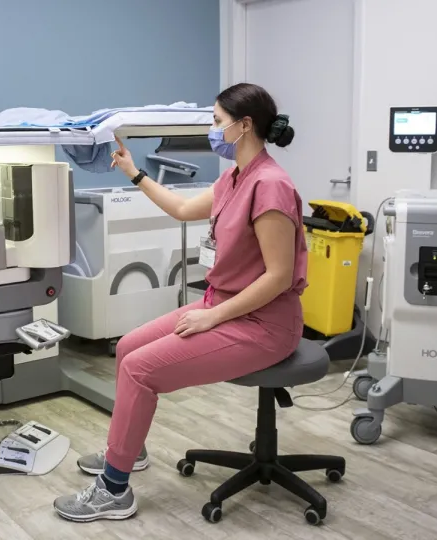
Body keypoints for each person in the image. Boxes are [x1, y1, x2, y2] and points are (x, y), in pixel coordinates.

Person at [52, 83, 309, 522]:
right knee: (129, 347)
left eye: (215, 121)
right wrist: (133, 172)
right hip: (223, 304)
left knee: (139, 369)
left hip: (264, 324)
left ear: (243, 126)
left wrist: (211, 317)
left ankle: (114, 491)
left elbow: (278, 276)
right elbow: (182, 208)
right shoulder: (234, 177)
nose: (211, 129)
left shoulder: (271, 186)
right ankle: (127, 453)